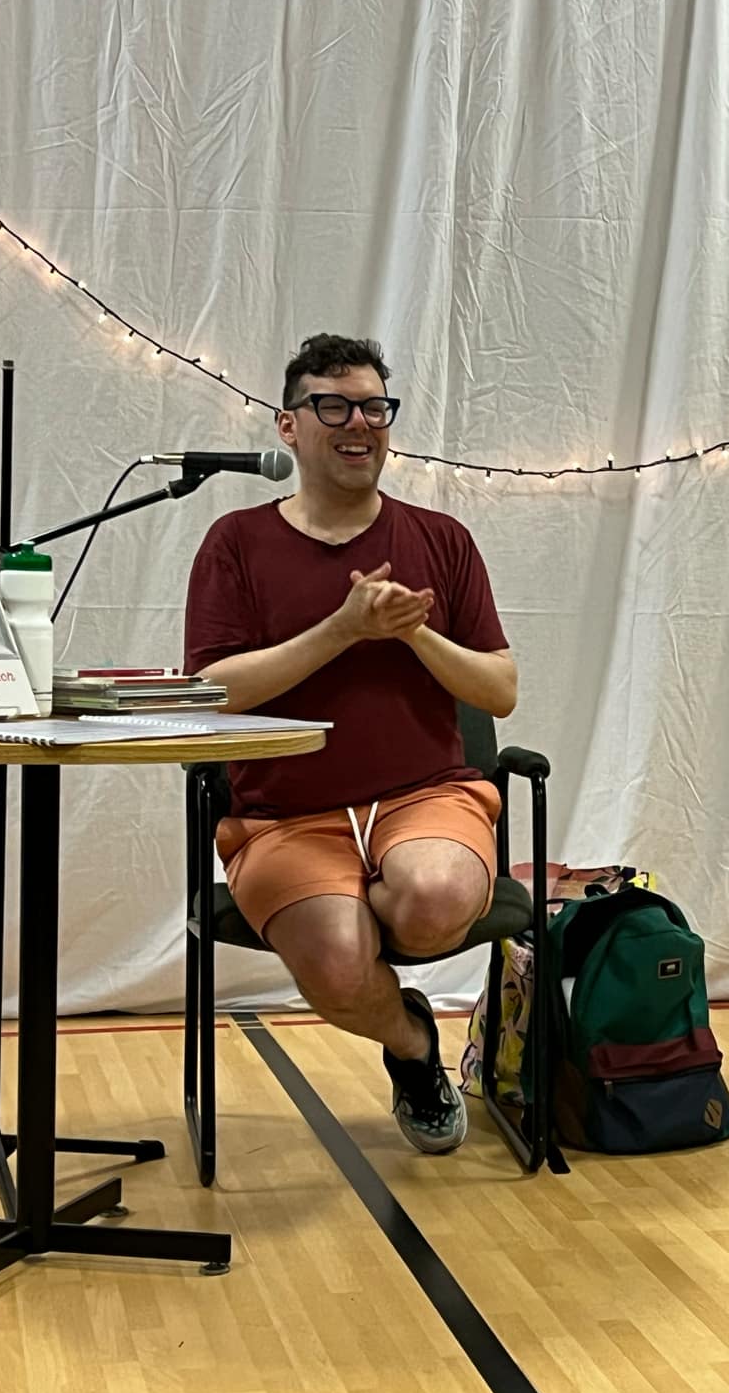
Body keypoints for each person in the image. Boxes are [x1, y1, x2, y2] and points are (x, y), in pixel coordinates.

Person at [184, 333, 517, 1154]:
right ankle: (411, 1042)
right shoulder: (236, 541)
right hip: (285, 816)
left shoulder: (441, 537)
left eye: (373, 407)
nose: (358, 423)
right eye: (332, 407)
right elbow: (212, 691)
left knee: (433, 902)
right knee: (337, 965)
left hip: (426, 797)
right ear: (289, 426)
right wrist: (340, 630)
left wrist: (412, 634)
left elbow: (500, 690)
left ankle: (371, 906)